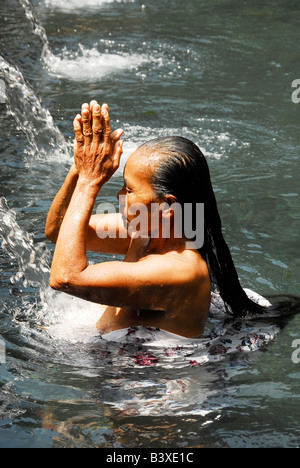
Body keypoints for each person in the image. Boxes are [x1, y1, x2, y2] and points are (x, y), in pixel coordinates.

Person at [45, 100, 265, 339]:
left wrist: (90, 181)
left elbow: (65, 278)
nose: (119, 196)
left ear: (168, 205)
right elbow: (59, 230)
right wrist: (80, 167)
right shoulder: (148, 227)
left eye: (128, 190)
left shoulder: (183, 270)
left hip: (159, 374)